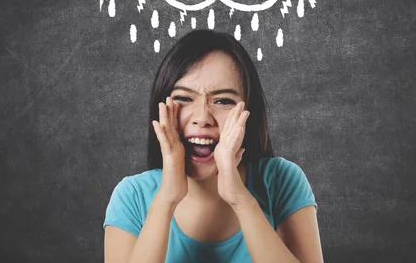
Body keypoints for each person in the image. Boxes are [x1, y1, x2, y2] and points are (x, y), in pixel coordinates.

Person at [103, 29, 323, 262]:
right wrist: (166, 199)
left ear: (249, 113)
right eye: (184, 98)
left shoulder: (282, 181)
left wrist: (240, 198)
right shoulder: (132, 197)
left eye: (223, 100)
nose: (202, 117)